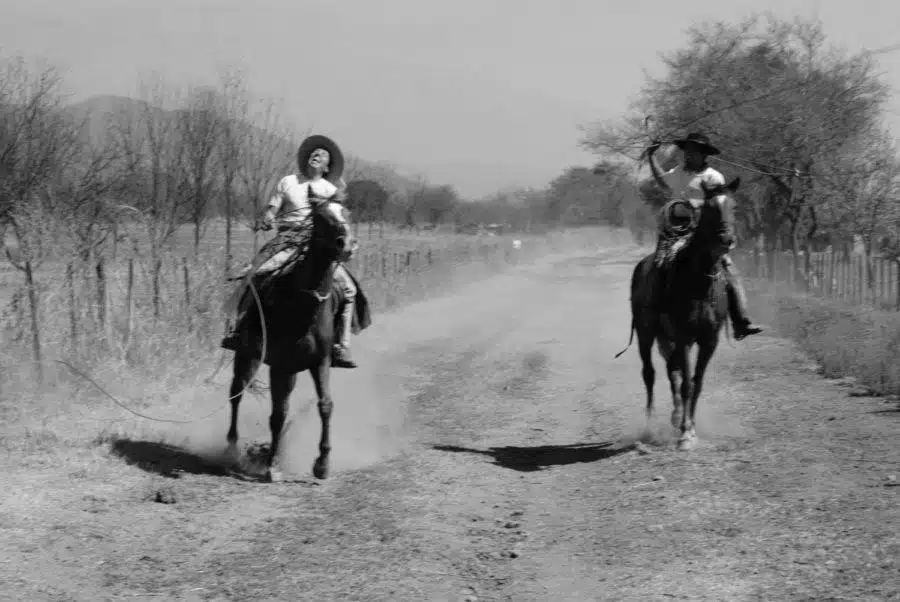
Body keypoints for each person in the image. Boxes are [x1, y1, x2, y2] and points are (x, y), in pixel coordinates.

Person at [221, 134, 363, 368]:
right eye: (314, 153)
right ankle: (239, 331)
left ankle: (341, 345)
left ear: (328, 167)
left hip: (318, 246)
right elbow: (272, 208)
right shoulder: (288, 181)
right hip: (287, 241)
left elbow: (340, 223)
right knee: (256, 274)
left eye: (322, 155)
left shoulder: (330, 190)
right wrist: (267, 217)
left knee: (348, 290)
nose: (316, 156)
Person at [646, 132, 763, 340]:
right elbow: (662, 183)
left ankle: (741, 321)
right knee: (659, 264)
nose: (688, 155)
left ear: (703, 155)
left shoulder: (714, 177)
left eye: (693, 152)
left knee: (728, 271)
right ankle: (652, 313)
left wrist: (696, 206)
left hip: (705, 231)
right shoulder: (678, 171)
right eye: (687, 151)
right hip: (677, 229)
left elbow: (719, 204)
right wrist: (651, 157)